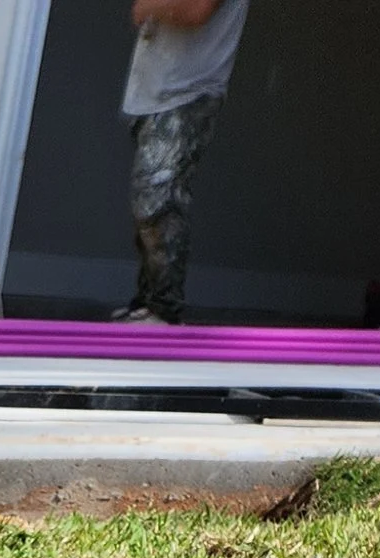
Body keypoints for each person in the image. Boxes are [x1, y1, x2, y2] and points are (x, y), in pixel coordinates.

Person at [116, 0, 250, 323]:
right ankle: (147, 303)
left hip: (189, 92)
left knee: (157, 198)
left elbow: (195, 11)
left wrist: (148, 6)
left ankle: (164, 312)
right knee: (148, 206)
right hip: (154, 90)